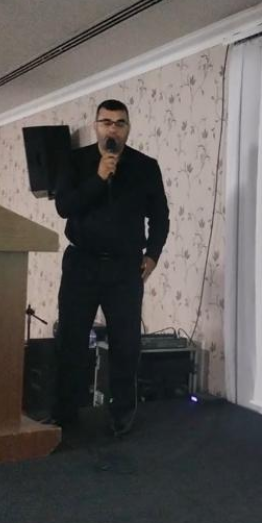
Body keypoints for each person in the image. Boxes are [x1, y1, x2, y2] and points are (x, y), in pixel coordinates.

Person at [53, 98, 169, 435]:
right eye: (106, 122)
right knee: (72, 340)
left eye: (120, 123)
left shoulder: (146, 166)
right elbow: (64, 207)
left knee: (126, 343)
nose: (112, 129)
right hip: (82, 264)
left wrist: (153, 254)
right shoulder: (75, 162)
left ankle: (122, 413)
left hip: (124, 268)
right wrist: (99, 177)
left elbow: (160, 216)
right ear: (96, 126)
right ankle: (65, 413)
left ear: (128, 129)